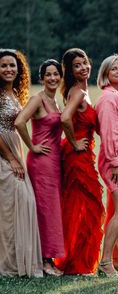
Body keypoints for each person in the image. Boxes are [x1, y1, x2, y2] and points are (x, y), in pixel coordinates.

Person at [56, 48, 105, 275]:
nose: (83, 67)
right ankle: (76, 262)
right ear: (71, 71)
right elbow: (65, 118)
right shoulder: (77, 92)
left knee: (79, 206)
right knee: (90, 206)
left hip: (83, 154)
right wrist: (75, 142)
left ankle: (77, 260)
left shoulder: (83, 90)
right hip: (77, 155)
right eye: (77, 65)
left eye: (85, 62)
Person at [15, 59, 65, 276]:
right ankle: (45, 260)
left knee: (52, 209)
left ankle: (49, 257)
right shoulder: (38, 99)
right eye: (48, 75)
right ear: (41, 78)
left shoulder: (56, 102)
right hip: (41, 162)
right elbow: (19, 121)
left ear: (60, 77)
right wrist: (32, 146)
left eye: (56, 74)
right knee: (45, 210)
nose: (52, 78)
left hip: (55, 161)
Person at [0, 49, 43, 277]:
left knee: (19, 204)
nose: (8, 69)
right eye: (4, 65)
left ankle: (18, 261)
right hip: (3, 153)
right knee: (11, 205)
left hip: (15, 150)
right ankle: (7, 264)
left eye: (12, 65)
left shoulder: (16, 92)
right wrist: (10, 159)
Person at [95, 54, 118, 276]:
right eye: (114, 68)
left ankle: (112, 259)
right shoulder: (109, 98)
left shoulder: (116, 96)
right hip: (114, 160)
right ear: (105, 74)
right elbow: (108, 133)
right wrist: (115, 162)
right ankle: (105, 261)